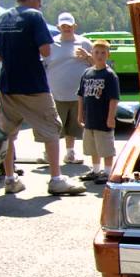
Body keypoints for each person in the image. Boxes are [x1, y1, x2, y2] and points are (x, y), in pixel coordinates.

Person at [0, 0, 85, 195]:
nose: (41, 3)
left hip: (8, 85)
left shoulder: (2, 19)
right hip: (33, 84)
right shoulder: (34, 16)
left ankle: (10, 179)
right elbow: (46, 51)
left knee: (8, 133)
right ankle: (56, 180)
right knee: (51, 129)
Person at [40, 12, 93, 165]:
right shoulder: (50, 44)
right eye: (63, 26)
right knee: (52, 126)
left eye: (69, 26)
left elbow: (98, 63)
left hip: (78, 94)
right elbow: (42, 65)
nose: (66, 28)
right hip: (55, 93)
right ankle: (48, 154)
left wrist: (87, 56)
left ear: (74, 26)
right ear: (58, 27)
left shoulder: (85, 43)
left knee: (73, 126)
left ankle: (70, 153)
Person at [77, 39, 119, 185]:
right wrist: (80, 114)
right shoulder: (87, 73)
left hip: (103, 118)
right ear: (91, 54)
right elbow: (81, 95)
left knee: (106, 147)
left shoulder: (109, 75)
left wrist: (110, 117)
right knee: (92, 146)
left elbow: (114, 98)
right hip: (90, 117)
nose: (99, 55)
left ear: (108, 55)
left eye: (103, 53)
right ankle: (95, 170)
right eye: (96, 52)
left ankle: (107, 172)